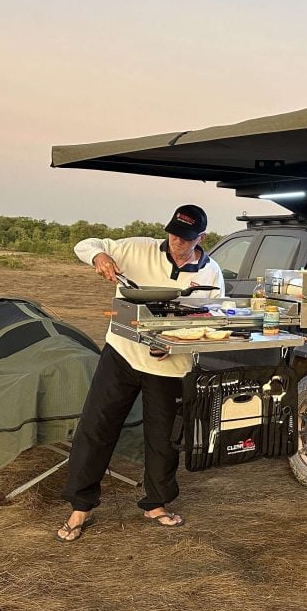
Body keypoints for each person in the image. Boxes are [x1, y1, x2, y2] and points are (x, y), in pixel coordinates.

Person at [55, 204, 224, 542]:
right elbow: (86, 244)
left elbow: (211, 319)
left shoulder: (211, 273)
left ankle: (156, 503)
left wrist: (175, 343)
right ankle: (80, 506)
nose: (177, 241)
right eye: (173, 233)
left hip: (169, 365)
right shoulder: (137, 248)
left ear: (201, 238)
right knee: (97, 426)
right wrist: (99, 258)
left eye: (186, 237)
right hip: (122, 353)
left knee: (163, 438)